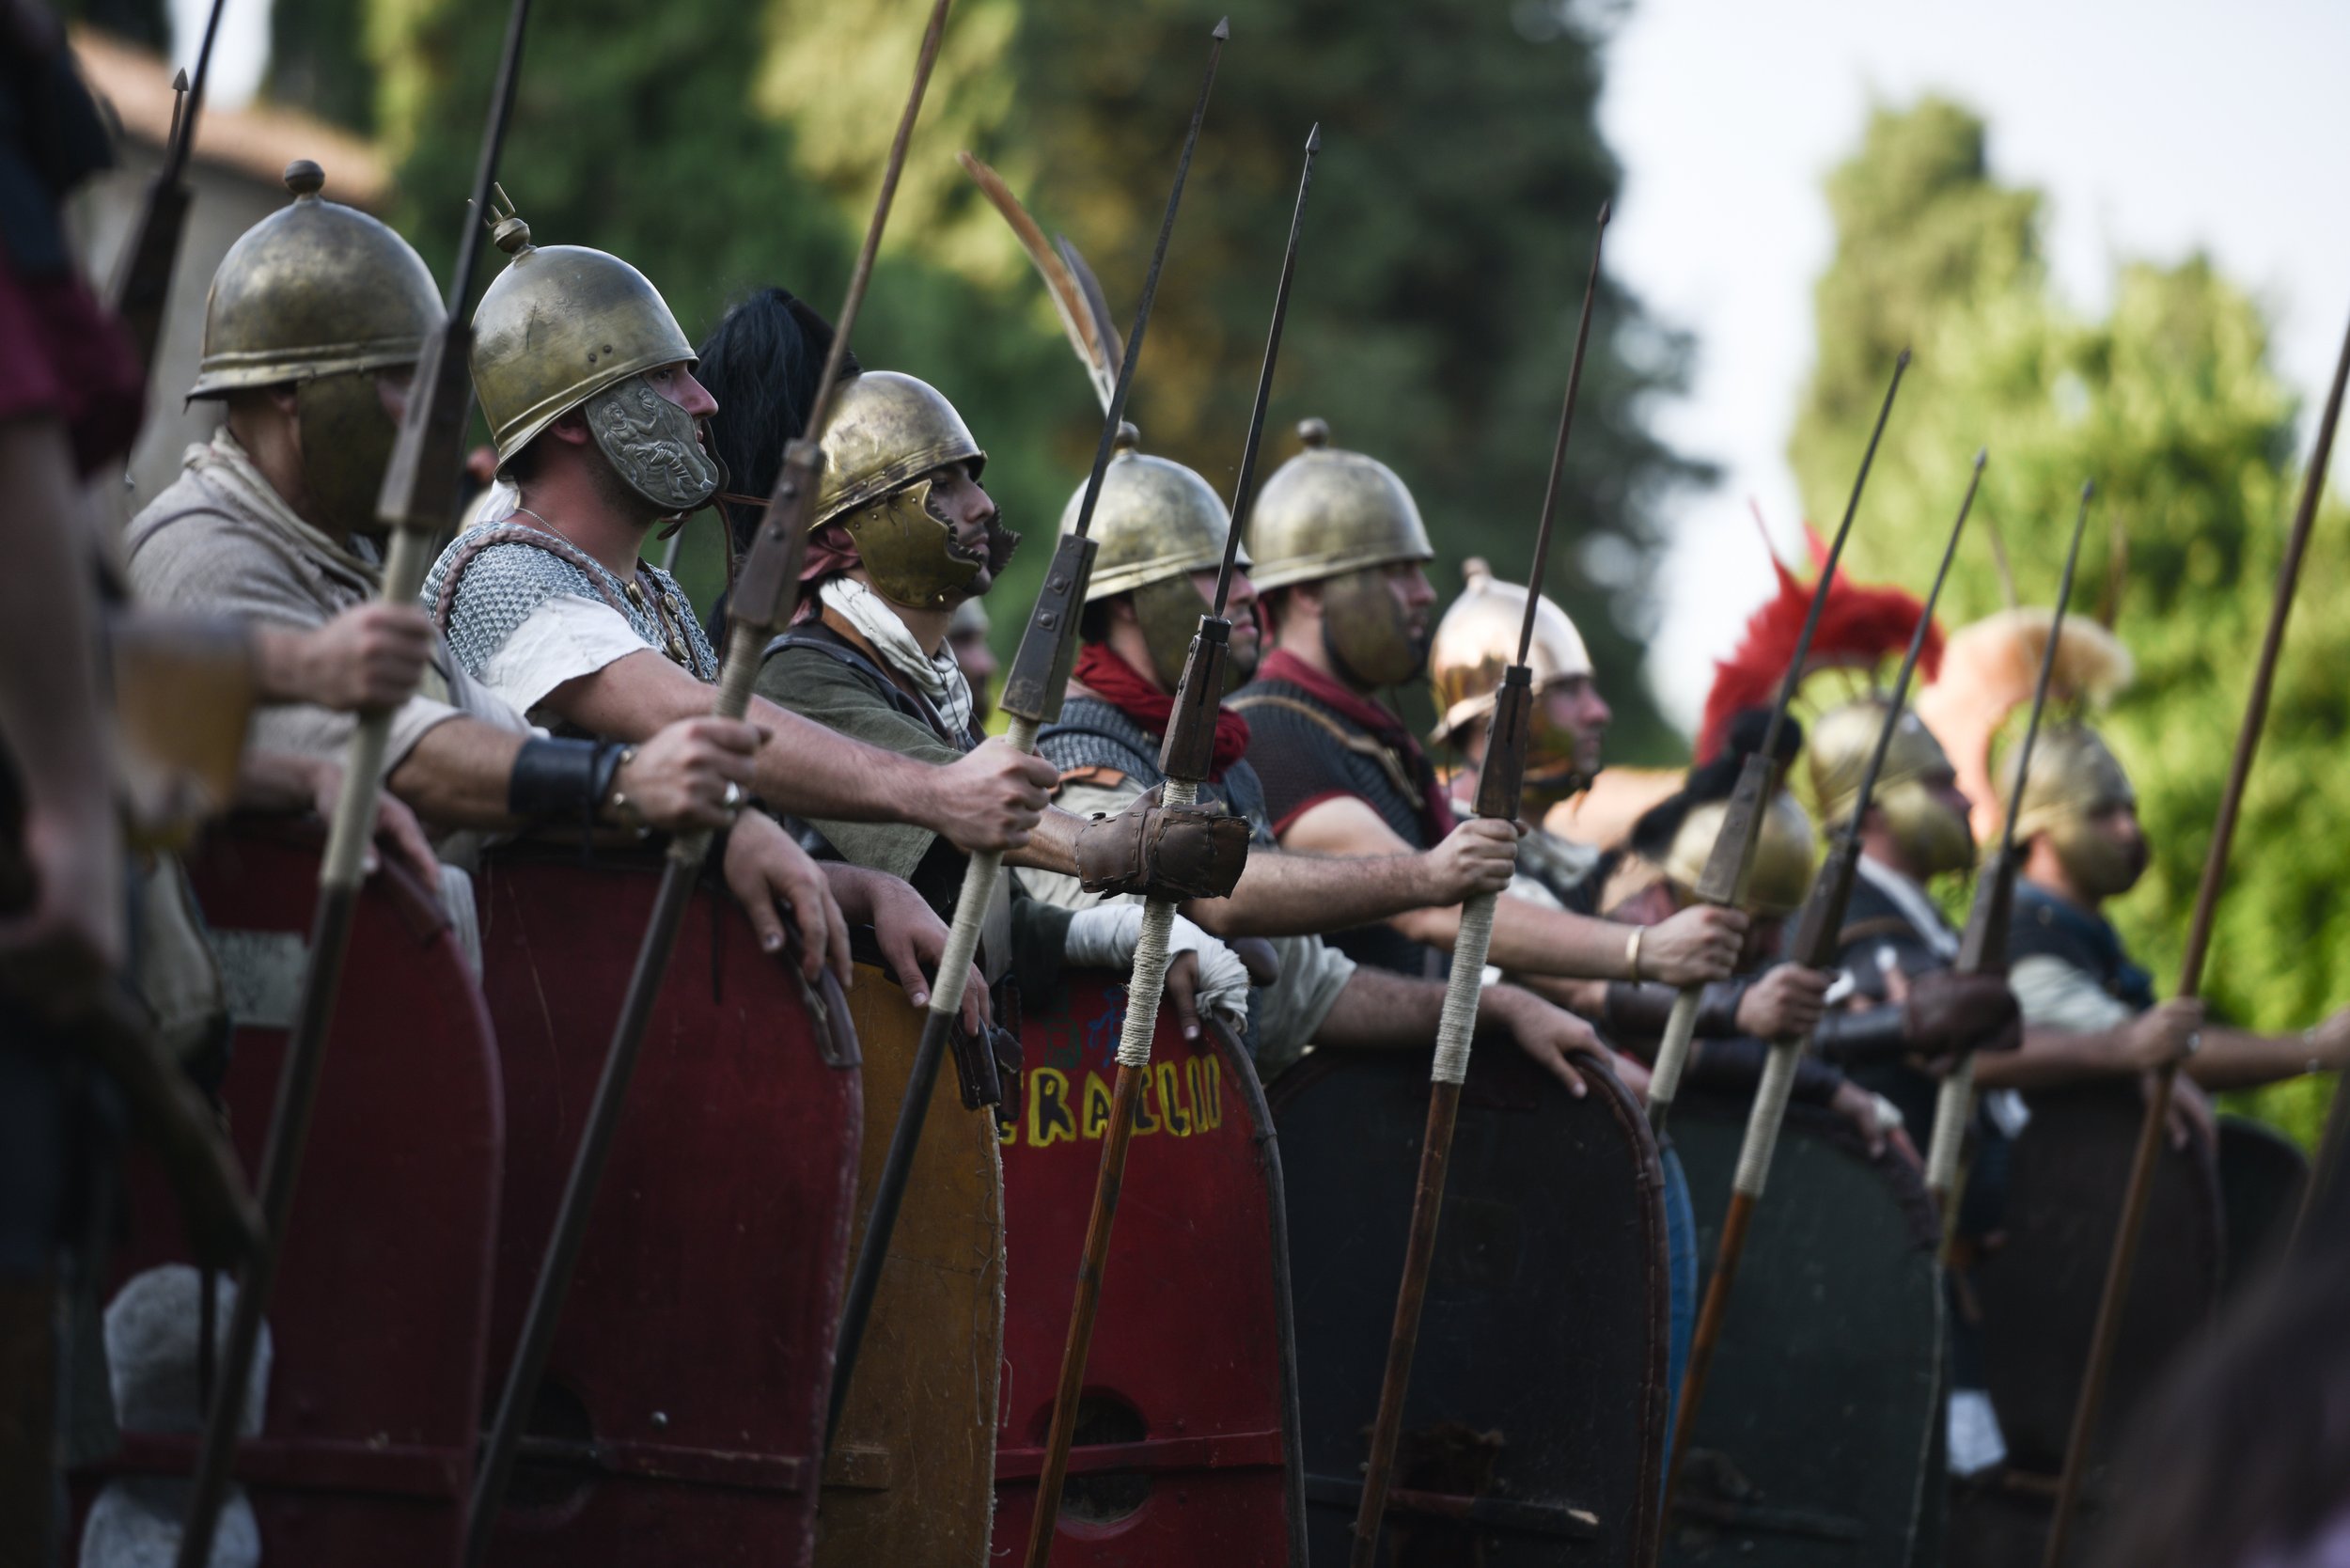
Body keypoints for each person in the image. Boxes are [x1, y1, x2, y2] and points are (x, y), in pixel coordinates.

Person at [693, 290, 1529, 1041]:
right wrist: (1108, 851)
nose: (982, 505)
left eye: (970, 479)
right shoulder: (800, 675)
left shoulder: (924, 682)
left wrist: (1112, 933)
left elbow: (1005, 919)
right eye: (941, 486)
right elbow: (955, 796)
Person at [424, 219, 1063, 996]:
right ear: (571, 419)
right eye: (666, 378)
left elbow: (691, 844)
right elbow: (698, 723)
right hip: (532, 1010)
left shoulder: (653, 599)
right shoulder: (501, 574)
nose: (705, 401)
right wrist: (935, 792)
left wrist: (869, 890)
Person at [124, 165, 764, 879]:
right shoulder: (202, 552)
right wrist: (621, 785)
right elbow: (418, 759)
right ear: (286, 393)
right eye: (399, 382)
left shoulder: (354, 572)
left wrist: (728, 833)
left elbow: (497, 743)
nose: (425, 416)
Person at [1001, 427, 1618, 1088]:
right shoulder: (1078, 747)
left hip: (1220, 1143)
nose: (1245, 591)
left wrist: (1491, 1007)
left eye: (1244, 570)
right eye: (1218, 573)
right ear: (1127, 600)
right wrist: (1424, 877)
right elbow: (1211, 896)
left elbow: (1309, 993)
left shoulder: (1227, 761)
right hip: (1105, 1139)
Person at [1231, 418, 1744, 994]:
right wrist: (1642, 949)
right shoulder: (1270, 731)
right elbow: (1430, 907)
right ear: (1310, 592)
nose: (1424, 593)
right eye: (1398, 573)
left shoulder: (1365, 737)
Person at [1998, 722, 2350, 1091]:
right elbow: (2148, 1048)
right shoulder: (2026, 938)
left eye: (2129, 810)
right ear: (2038, 831)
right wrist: (2315, 1049)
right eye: (2102, 813)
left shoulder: (2073, 925)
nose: (2128, 829)